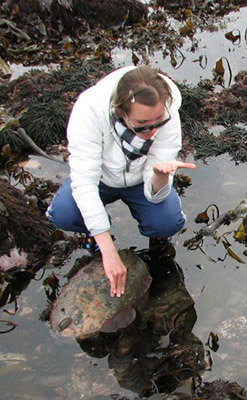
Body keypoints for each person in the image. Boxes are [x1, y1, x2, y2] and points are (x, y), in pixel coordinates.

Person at [47, 66, 195, 297]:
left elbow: (156, 193)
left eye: (159, 122)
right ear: (121, 112)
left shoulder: (167, 113)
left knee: (168, 222)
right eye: (143, 124)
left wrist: (160, 176)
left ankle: (158, 237)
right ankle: (93, 231)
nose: (153, 130)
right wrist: (108, 250)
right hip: (101, 178)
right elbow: (85, 183)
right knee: (64, 214)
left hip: (139, 180)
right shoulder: (89, 111)